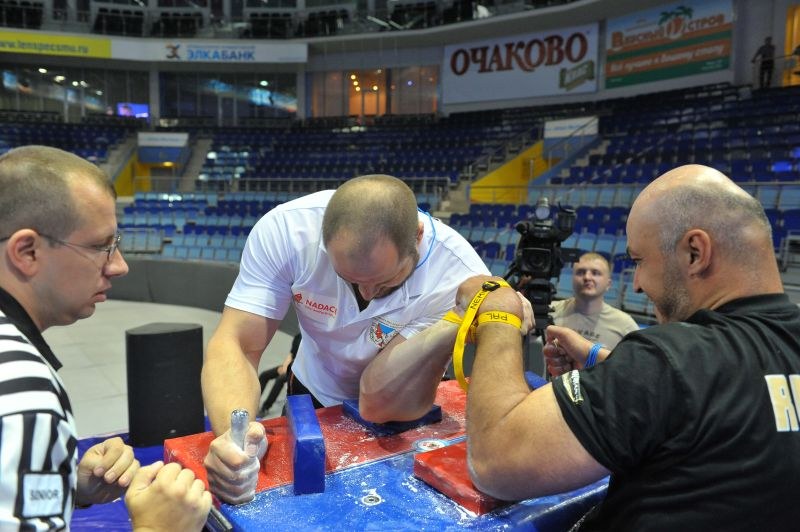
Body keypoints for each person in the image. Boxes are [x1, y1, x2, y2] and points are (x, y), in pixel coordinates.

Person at [459, 164, 800, 530]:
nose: (636, 284)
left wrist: (499, 313)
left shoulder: (667, 360)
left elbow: (495, 461)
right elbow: (737, 394)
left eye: (639, 261)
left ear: (694, 252)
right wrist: (604, 361)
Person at [201, 174, 492, 504]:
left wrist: (453, 320)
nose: (367, 293)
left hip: (401, 405)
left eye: (384, 281)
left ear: (418, 237)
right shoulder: (288, 231)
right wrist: (235, 441)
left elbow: (378, 399)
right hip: (312, 388)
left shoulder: (456, 276)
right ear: (323, 242)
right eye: (349, 279)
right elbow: (238, 344)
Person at [0, 145, 211, 530]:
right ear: (27, 251)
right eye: (101, 246)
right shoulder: (24, 394)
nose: (119, 266)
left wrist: (63, 482)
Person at [550, 252, 638, 350]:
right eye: (581, 272)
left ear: (608, 284)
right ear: (572, 279)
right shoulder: (550, 312)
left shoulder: (625, 325)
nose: (587, 277)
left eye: (595, 273)